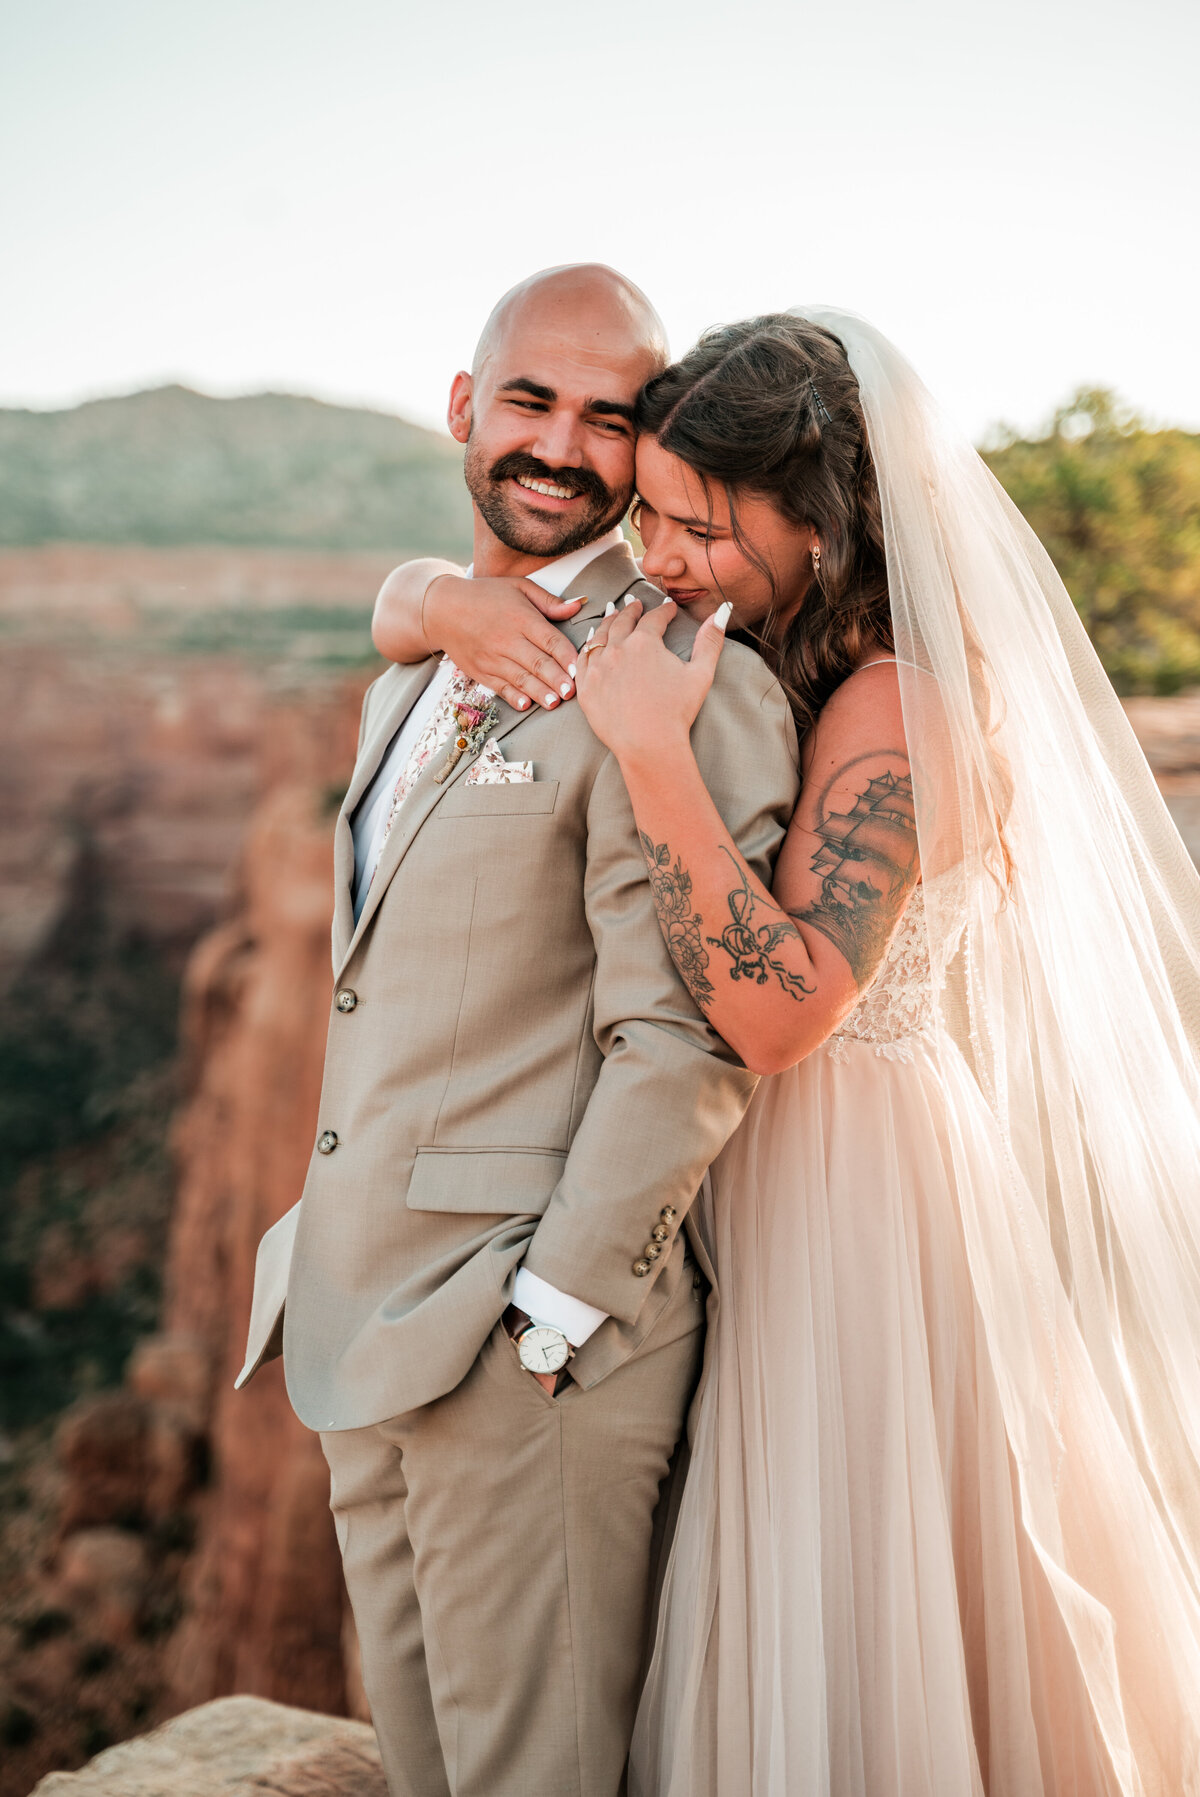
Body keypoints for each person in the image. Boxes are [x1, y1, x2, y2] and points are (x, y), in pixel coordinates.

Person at [376, 311, 1200, 1794]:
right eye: (654, 518)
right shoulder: (781, 654)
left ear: (820, 523)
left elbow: (784, 1004)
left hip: (863, 1207)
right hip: (761, 1180)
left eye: (699, 525)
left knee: (857, 1613)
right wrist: (432, 592)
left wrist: (647, 750)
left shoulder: (902, 704)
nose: (665, 556)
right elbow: (411, 619)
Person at [234, 265, 802, 1797]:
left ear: (648, 449)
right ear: (463, 406)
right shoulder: (413, 668)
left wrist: (548, 1323)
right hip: (358, 1329)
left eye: (609, 418)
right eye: (532, 401)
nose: (561, 447)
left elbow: (678, 1036)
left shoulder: (681, 679)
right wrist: (425, 597)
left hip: (525, 1359)